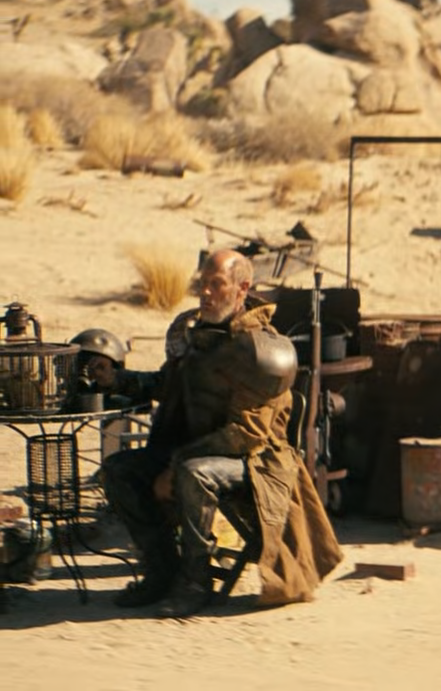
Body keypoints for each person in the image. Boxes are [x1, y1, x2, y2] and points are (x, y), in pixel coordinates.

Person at [96, 249, 342, 617]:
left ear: (242, 289)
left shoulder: (260, 349)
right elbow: (169, 384)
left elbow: (246, 434)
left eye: (217, 284)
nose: (206, 293)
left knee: (194, 474)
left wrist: (175, 464)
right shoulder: (202, 336)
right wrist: (118, 379)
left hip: (256, 462)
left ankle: (196, 583)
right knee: (118, 470)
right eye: (203, 284)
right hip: (198, 451)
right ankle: (162, 571)